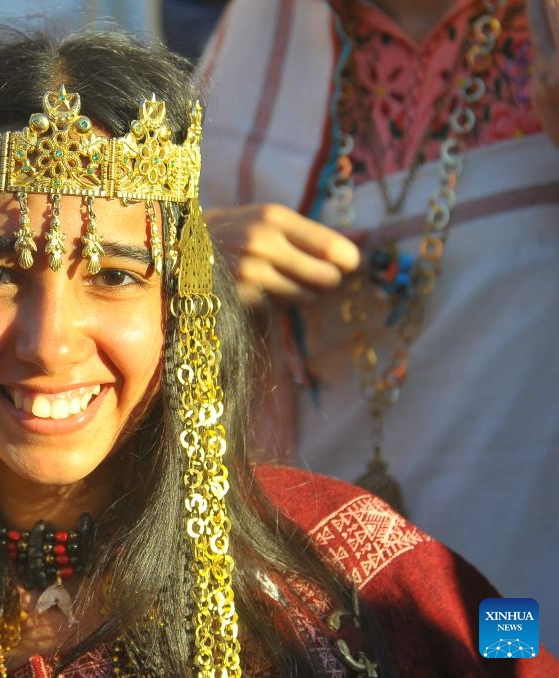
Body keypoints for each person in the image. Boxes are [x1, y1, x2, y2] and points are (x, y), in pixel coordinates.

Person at [0, 29, 557, 676]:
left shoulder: (360, 560)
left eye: (113, 275)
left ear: (180, 307)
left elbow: (509, 642)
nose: (50, 344)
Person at [196, 0, 559, 648]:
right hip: (327, 568)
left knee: (513, 653)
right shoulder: (259, 38)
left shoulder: (543, 36)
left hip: (523, 537)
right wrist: (196, 257)